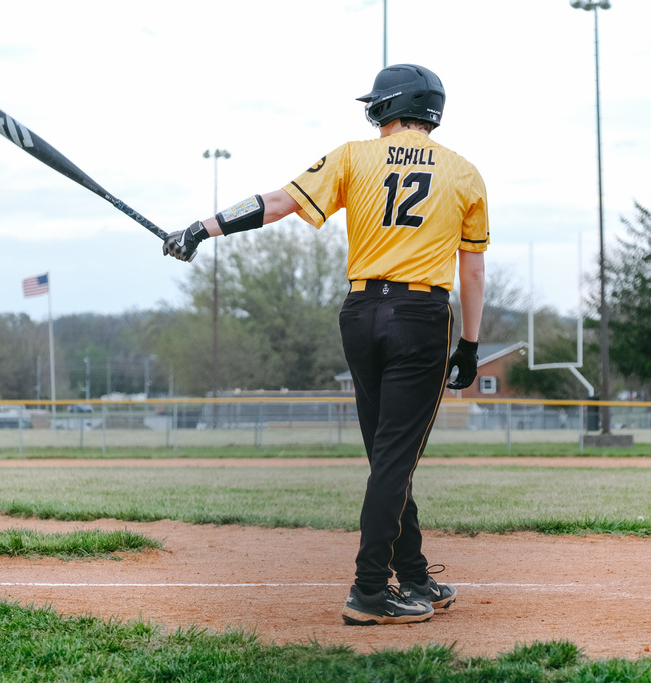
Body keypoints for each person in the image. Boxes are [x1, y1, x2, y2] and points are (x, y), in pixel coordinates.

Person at [162, 64, 487, 625]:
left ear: (386, 107)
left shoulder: (352, 156)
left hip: (360, 314)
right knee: (394, 459)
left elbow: (278, 203)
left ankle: (411, 577)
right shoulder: (464, 173)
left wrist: (201, 228)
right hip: (419, 316)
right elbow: (473, 271)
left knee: (388, 456)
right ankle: (368, 591)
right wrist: (470, 345)